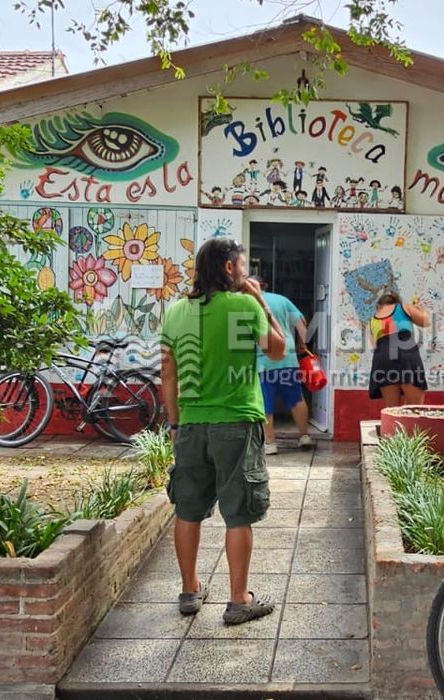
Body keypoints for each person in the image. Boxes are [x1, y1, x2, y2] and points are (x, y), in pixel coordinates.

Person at [160, 238, 285, 625]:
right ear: (230, 268)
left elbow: (168, 374)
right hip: (236, 422)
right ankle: (238, 600)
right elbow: (279, 349)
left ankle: (189, 590)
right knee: (238, 513)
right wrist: (261, 301)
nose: (246, 272)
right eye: (243, 265)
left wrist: (176, 423)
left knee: (188, 509)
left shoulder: (177, 312)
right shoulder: (244, 306)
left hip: (192, 425)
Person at [248, 275, 312, 455]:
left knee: (265, 402)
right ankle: (304, 436)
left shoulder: (248, 302)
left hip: (263, 359)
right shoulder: (282, 300)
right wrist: (302, 344)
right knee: (296, 398)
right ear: (265, 285)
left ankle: (270, 443)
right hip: (288, 356)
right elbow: (302, 324)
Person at [367, 289, 430, 408]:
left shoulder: (372, 321)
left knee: (392, 411)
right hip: (406, 356)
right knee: (415, 408)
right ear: (396, 301)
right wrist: (422, 310)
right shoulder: (403, 307)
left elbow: (374, 345)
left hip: (383, 360)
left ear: (379, 306)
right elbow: (425, 322)